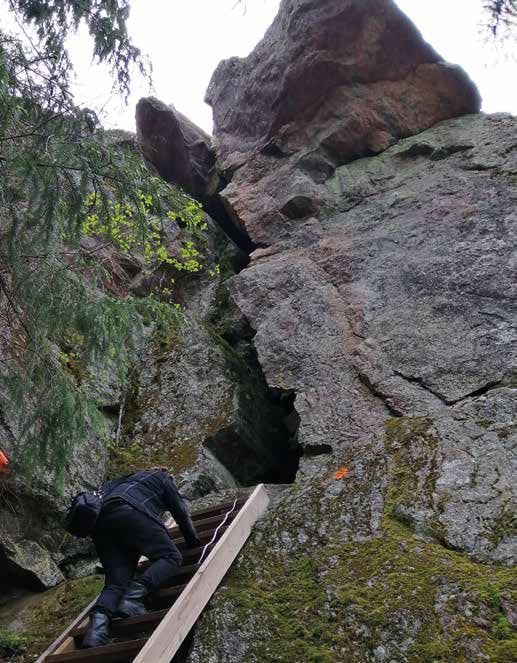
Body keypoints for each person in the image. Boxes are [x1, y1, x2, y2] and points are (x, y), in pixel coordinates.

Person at [83, 468, 201, 648]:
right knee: (171, 556)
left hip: (100, 526)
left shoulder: (124, 480)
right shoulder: (162, 477)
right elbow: (181, 513)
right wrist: (192, 542)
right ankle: (132, 598)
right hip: (130, 510)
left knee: (115, 583)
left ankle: (95, 632)